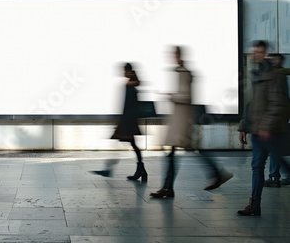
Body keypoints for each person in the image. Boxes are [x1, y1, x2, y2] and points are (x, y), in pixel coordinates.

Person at [150, 46, 233, 198]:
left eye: (173, 55)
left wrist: (171, 95)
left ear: (177, 56)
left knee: (181, 152)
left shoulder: (183, 73)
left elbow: (185, 96)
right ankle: (169, 187)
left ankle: (169, 187)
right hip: (182, 119)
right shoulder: (182, 72)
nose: (171, 58)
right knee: (186, 151)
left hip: (182, 120)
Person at [237, 41, 289, 216]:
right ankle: (254, 204)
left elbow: (278, 104)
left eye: (260, 52)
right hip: (258, 130)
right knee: (257, 167)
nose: (256, 55)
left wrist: (266, 127)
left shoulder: (275, 75)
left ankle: (254, 203)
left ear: (265, 53)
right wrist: (243, 126)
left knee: (280, 164)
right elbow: (252, 104)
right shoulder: (257, 74)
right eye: (254, 52)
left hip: (270, 131)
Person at [92, 63, 147, 181]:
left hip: (127, 120)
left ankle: (110, 169)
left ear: (129, 71)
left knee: (124, 143)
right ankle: (141, 170)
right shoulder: (132, 85)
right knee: (132, 144)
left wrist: (122, 122)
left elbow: (127, 105)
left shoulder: (129, 86)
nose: (123, 73)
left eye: (125, 71)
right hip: (128, 120)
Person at [264, 53, 290, 187]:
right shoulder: (279, 74)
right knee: (277, 149)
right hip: (280, 118)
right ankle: (275, 176)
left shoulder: (278, 75)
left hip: (277, 119)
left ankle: (274, 177)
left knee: (275, 149)